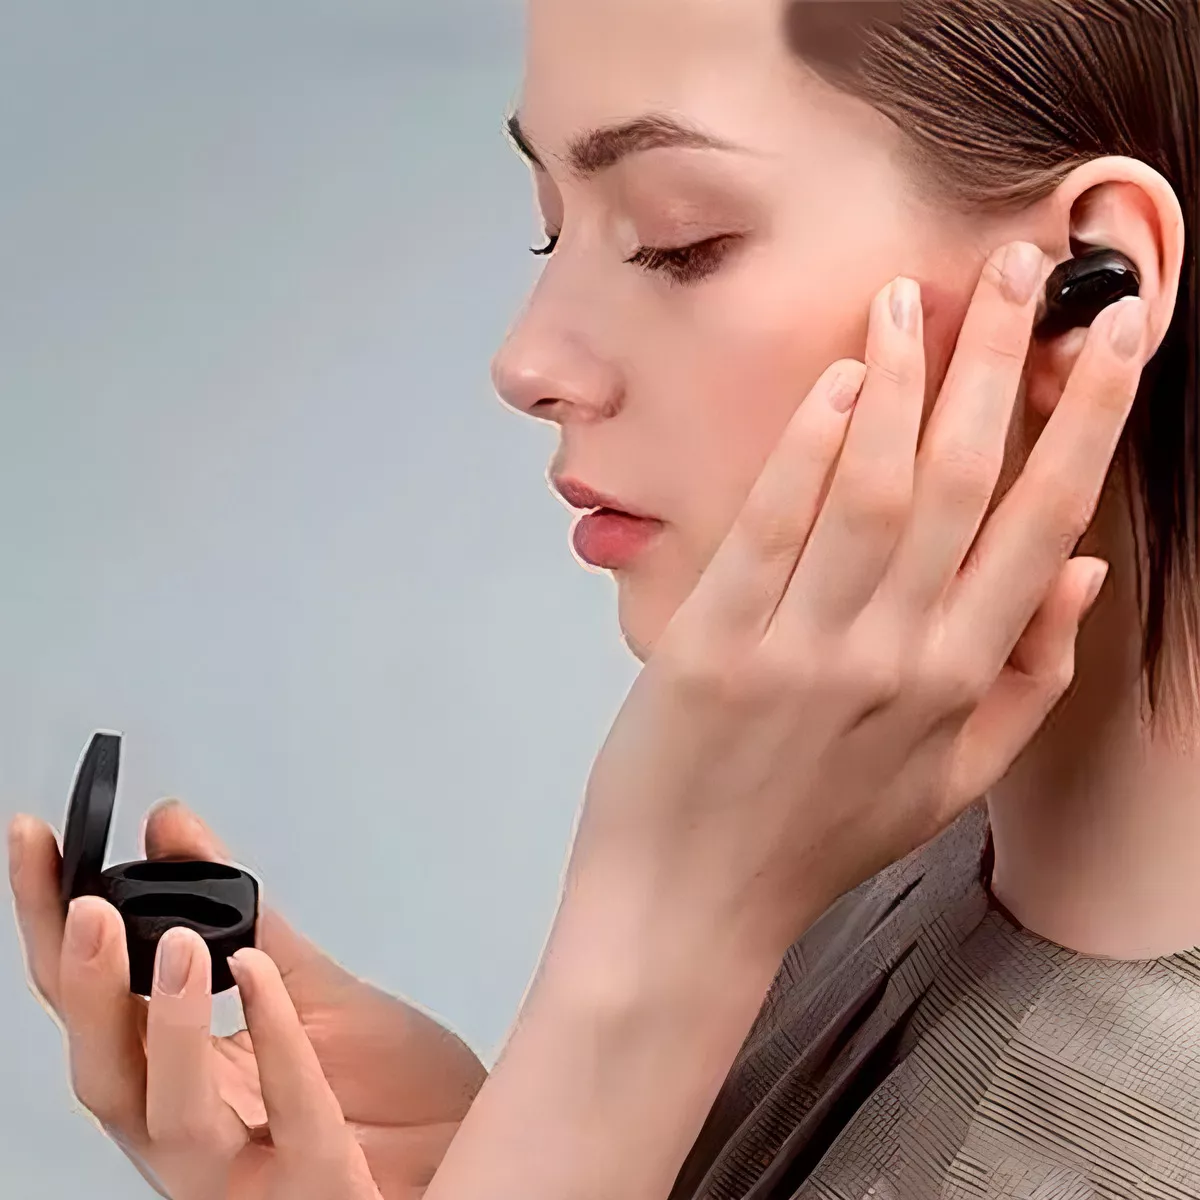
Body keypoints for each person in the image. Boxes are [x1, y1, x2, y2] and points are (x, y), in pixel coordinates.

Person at [8, 0, 1197, 1197]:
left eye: (678, 240)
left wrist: (658, 934)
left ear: (1090, 287)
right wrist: (504, 1154)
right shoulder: (878, 869)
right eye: (549, 232)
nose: (526, 363)